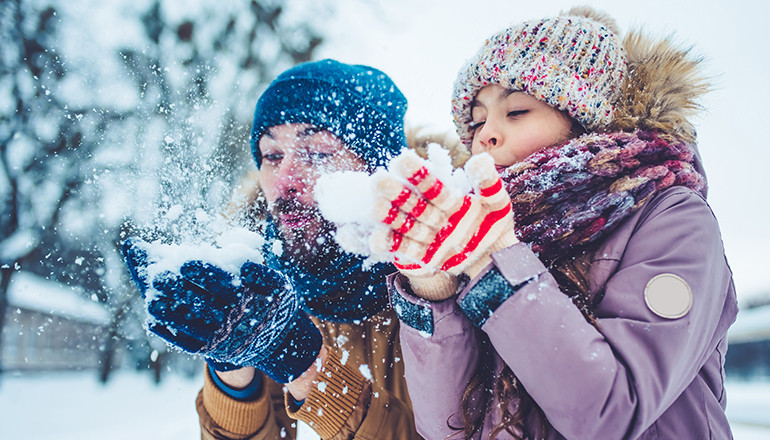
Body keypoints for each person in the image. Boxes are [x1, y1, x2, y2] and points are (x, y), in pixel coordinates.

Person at [374, 7, 738, 439]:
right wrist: (433, 288)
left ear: (584, 119)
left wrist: (496, 265)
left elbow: (610, 415)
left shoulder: (672, 219)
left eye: (516, 112)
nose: (484, 135)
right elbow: (447, 430)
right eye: (475, 121)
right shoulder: (484, 241)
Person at [122, 59, 444, 439]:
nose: (285, 180)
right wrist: (231, 368)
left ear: (376, 166)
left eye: (318, 153)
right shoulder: (268, 284)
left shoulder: (447, 284)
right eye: (272, 156)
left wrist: (305, 366)